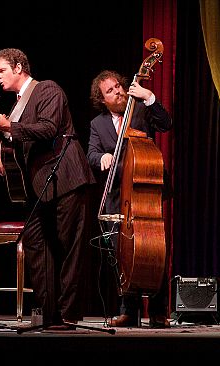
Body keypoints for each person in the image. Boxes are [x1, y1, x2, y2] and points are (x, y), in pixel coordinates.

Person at [0, 48, 95, 329]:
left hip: (66, 177)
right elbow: (20, 136)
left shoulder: (47, 89)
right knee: (37, 242)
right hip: (42, 184)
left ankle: (68, 314)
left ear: (19, 66)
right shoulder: (17, 105)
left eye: (2, 71)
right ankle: (49, 314)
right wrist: (2, 152)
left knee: (69, 244)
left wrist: (9, 126)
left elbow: (48, 128)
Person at [87, 70, 173, 328]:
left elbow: (166, 123)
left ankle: (158, 310)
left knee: (154, 249)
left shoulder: (139, 110)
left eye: (118, 86)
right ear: (102, 100)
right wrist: (101, 157)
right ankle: (128, 310)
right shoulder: (97, 124)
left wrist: (149, 97)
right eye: (110, 91)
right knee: (121, 252)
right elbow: (91, 153)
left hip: (145, 191)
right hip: (117, 196)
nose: (118, 92)